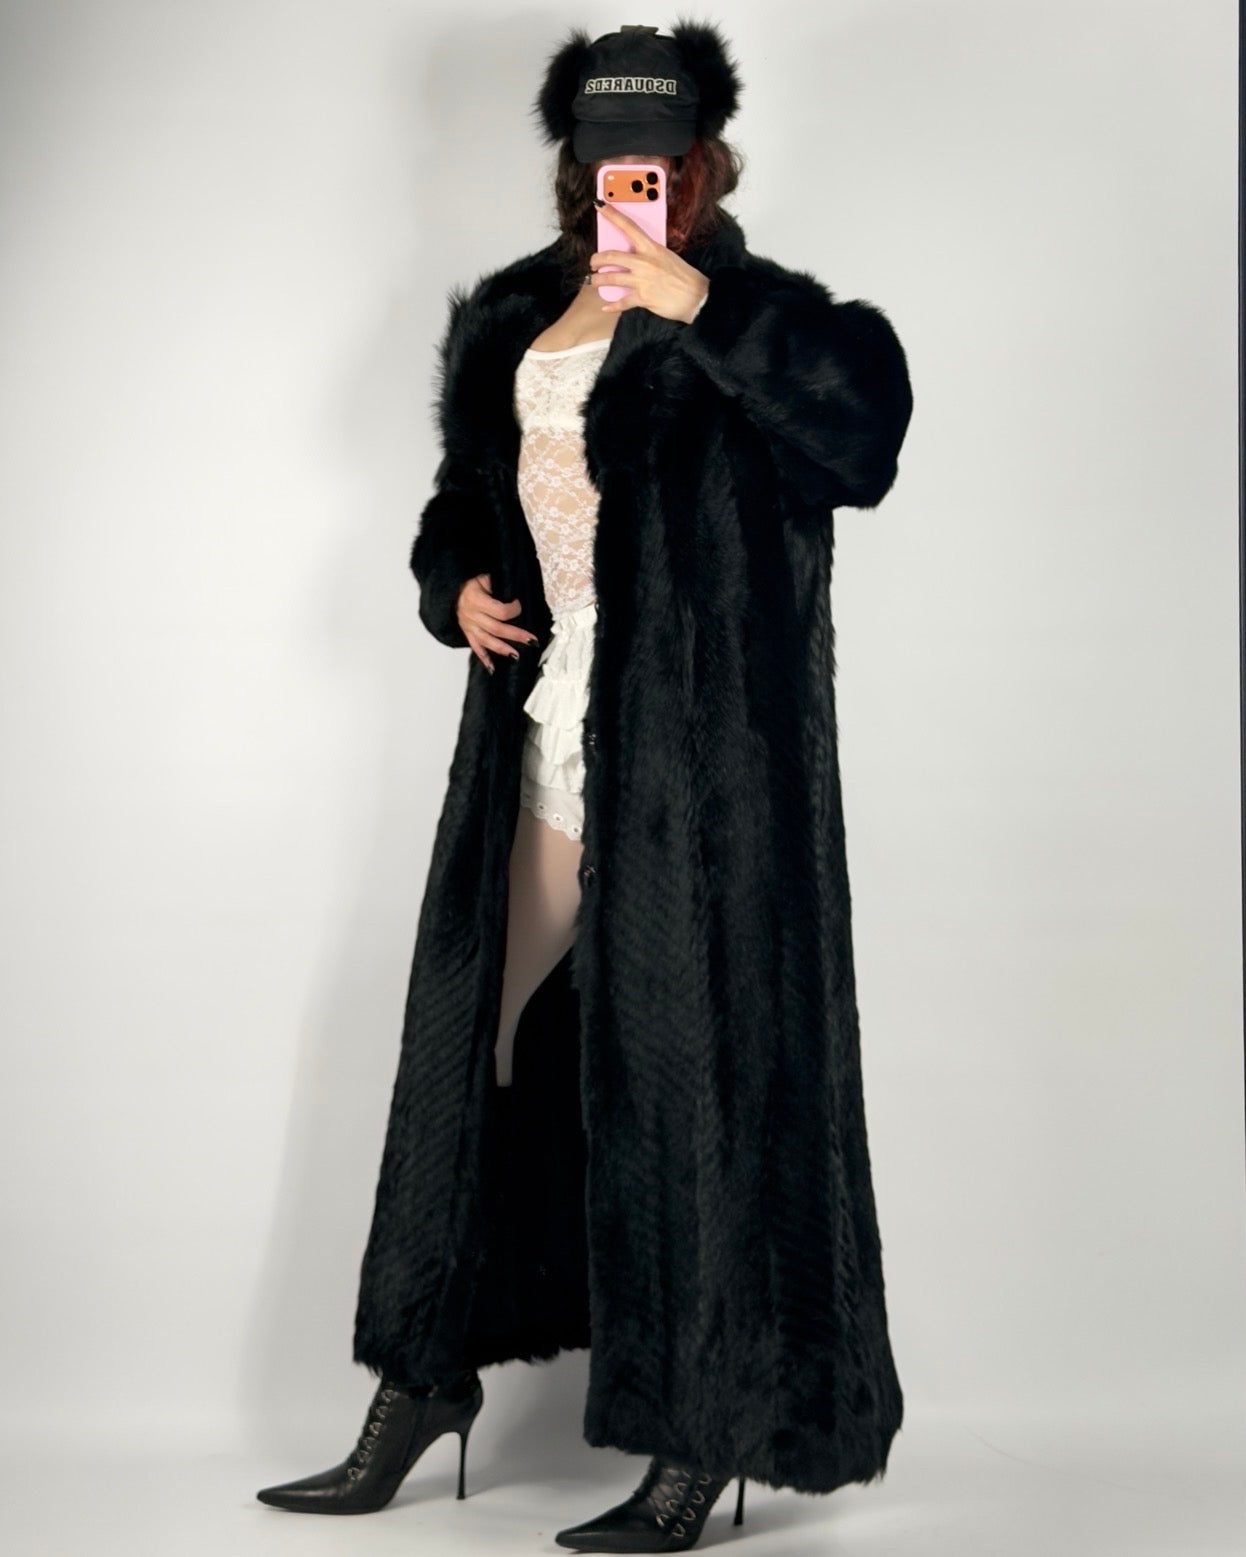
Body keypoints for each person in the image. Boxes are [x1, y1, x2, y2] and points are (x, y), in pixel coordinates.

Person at [257, 21, 914, 1552]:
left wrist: (705, 312)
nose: (641, 184)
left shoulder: (761, 310)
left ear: (702, 164)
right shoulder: (510, 317)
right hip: (541, 737)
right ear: (577, 165)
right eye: (615, 162)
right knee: (472, 1054)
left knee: (694, 1075)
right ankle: (422, 1379)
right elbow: (463, 499)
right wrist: (455, 585)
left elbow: (862, 442)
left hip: (701, 770)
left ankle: (703, 1428)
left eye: (664, 163)